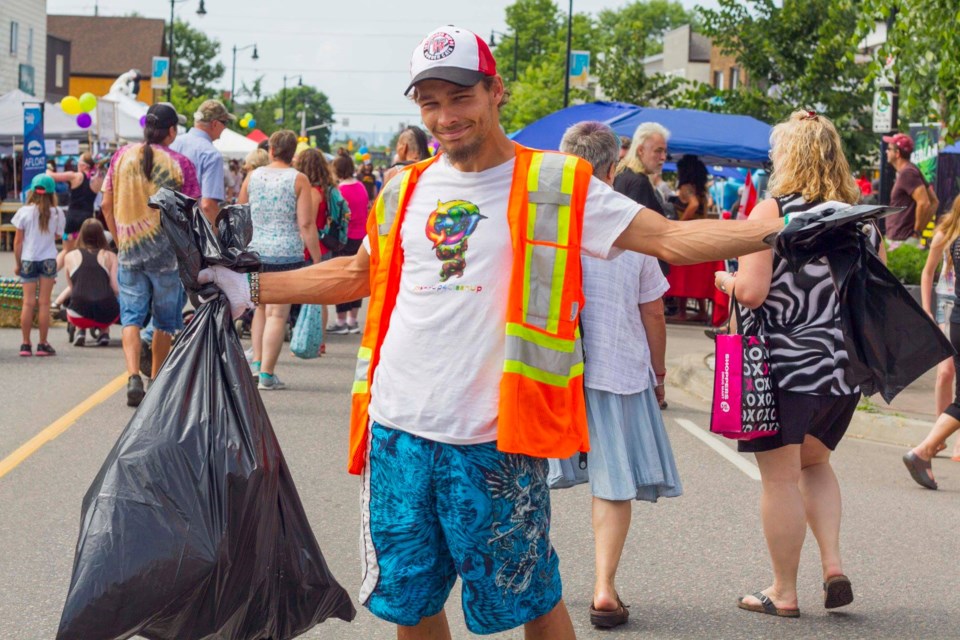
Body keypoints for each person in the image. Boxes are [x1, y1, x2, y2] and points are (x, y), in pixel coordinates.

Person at [196, 25, 785, 639]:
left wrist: (776, 231)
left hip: (495, 436)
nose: (445, 116)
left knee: (531, 597)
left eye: (460, 97)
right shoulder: (403, 189)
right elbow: (355, 273)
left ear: (495, 91)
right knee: (414, 601)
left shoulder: (556, 182)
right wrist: (248, 287)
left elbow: (668, 239)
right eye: (430, 102)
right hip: (398, 432)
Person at [713, 110, 866, 618]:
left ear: (790, 157)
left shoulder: (773, 212)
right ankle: (834, 565)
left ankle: (783, 592)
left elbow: (754, 293)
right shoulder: (857, 220)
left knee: (779, 478)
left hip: (784, 369)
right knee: (817, 465)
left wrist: (726, 281)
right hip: (842, 372)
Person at [549, 121, 681, 629]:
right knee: (611, 482)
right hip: (616, 366)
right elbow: (653, 310)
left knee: (526, 478)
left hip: (546, 370)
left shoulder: (541, 217)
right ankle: (604, 587)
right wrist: (660, 372)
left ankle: (533, 584)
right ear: (612, 165)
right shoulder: (633, 222)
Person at [101, 102, 200, 407]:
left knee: (131, 317)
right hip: (167, 257)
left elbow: (106, 204)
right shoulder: (180, 163)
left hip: (130, 252)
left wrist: (121, 238)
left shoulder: (120, 157)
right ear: (171, 130)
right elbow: (192, 210)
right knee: (164, 322)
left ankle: (133, 375)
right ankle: (156, 381)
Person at [238, 129, 322, 390]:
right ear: (292, 152)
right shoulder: (298, 180)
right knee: (278, 314)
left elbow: (240, 212)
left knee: (260, 309)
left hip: (255, 253)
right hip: (286, 253)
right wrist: (317, 259)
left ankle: (256, 363)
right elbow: (306, 223)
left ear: (271, 150)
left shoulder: (252, 176)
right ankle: (267, 374)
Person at [905, 193, 960, 489]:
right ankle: (928, 447)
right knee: (946, 374)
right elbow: (928, 273)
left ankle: (932, 445)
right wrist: (926, 308)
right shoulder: (947, 234)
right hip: (949, 310)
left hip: (956, 315)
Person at [12, 174, 65, 357]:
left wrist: (18, 264)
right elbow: (58, 236)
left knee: (28, 303)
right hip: (49, 259)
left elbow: (18, 242)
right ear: (52, 193)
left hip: (28, 258)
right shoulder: (57, 213)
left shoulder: (24, 212)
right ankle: (43, 344)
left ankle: (25, 344)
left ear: (32, 191)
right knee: (44, 303)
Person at [293, 146, 338, 352]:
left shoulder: (311, 192)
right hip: (323, 245)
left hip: (312, 248)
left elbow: (307, 222)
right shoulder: (326, 190)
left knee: (311, 296)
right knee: (321, 298)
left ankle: (312, 340)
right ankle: (319, 341)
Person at [170, 99, 235, 226]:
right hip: (191, 230)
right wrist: (217, 239)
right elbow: (208, 205)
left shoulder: (172, 143)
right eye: (225, 122)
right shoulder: (211, 154)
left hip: (165, 224)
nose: (225, 127)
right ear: (215, 124)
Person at [327, 152, 368, 334]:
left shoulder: (340, 191)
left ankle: (341, 320)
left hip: (344, 238)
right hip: (361, 237)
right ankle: (353, 320)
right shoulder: (361, 187)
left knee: (342, 277)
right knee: (357, 277)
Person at [63, 218, 119, 347]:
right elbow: (115, 288)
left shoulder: (70, 256)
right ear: (102, 235)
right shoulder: (110, 256)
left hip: (78, 313)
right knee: (107, 301)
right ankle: (104, 332)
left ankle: (80, 330)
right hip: (107, 312)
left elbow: (73, 288)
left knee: (78, 298)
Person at [675, 154, 711, 322]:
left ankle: (682, 311)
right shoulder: (702, 189)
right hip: (701, 235)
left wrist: (679, 224)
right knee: (697, 277)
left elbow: (693, 204)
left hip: (686, 236)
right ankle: (702, 311)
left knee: (683, 274)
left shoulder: (686, 188)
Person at [884, 132, 939, 242]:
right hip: (901, 238)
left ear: (897, 153)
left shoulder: (908, 173)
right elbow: (934, 202)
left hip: (902, 239)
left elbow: (925, 203)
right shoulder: (911, 170)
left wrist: (916, 232)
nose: (886, 151)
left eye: (889, 149)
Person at [47, 152, 104, 252]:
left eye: (78, 162)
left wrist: (48, 168)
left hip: (72, 218)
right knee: (86, 252)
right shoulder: (99, 180)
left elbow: (51, 176)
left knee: (66, 252)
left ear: (83, 165)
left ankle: (52, 268)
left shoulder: (75, 176)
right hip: (88, 219)